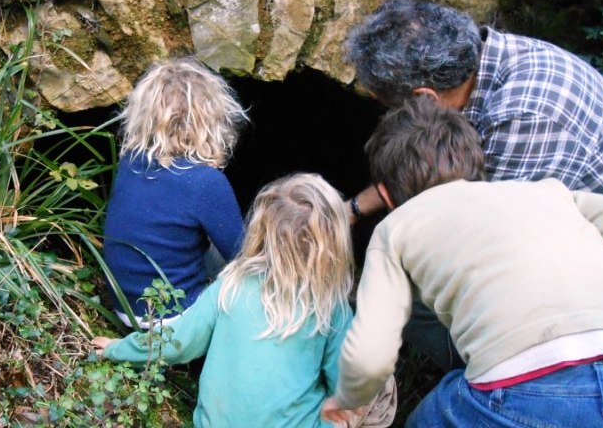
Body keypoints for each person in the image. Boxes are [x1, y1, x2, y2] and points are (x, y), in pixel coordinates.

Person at [322, 99, 603, 427]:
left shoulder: (396, 228)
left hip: (532, 390)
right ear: (475, 162)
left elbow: (370, 357)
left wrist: (347, 401)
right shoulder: (546, 191)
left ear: (385, 194)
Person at [343, 0, 603, 297]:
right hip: (564, 239)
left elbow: (479, 247)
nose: (386, 115)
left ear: (424, 98)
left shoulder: (523, 118)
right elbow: (431, 168)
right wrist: (355, 208)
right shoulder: (488, 60)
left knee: (412, 299)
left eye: (385, 106)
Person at [94, 174, 397, 427]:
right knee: (379, 386)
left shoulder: (231, 284)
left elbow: (178, 342)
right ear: (334, 246)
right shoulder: (331, 309)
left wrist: (118, 349)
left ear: (261, 229)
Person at [102, 57, 248, 328]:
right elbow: (243, 257)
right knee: (250, 268)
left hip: (124, 307)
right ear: (212, 119)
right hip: (174, 319)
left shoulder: (130, 162)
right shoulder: (205, 182)